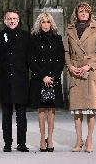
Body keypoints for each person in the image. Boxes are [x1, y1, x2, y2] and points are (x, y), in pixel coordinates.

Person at [63, 2, 96, 153]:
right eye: (81, 11)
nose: (83, 14)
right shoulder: (69, 29)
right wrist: (70, 66)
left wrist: (88, 66)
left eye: (86, 12)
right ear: (76, 13)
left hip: (90, 71)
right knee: (77, 109)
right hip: (75, 71)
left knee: (91, 108)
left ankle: (89, 140)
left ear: (89, 14)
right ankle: (78, 140)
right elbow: (66, 52)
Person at [0, 9, 30, 152]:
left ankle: (22, 143)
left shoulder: (26, 36)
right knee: (6, 115)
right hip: (5, 80)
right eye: (9, 18)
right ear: (4, 20)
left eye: (14, 18)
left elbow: (29, 57)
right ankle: (7, 143)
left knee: (22, 115)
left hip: (21, 80)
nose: (12, 21)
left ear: (18, 20)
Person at [29, 12, 65, 152]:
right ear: (39, 23)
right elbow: (31, 60)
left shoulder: (57, 38)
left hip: (53, 78)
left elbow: (60, 60)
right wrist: (43, 76)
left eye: (48, 22)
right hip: (39, 78)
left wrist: (53, 76)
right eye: (43, 22)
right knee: (41, 109)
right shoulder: (33, 39)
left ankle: (50, 138)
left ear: (51, 23)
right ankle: (42, 138)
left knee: (51, 109)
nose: (45, 24)